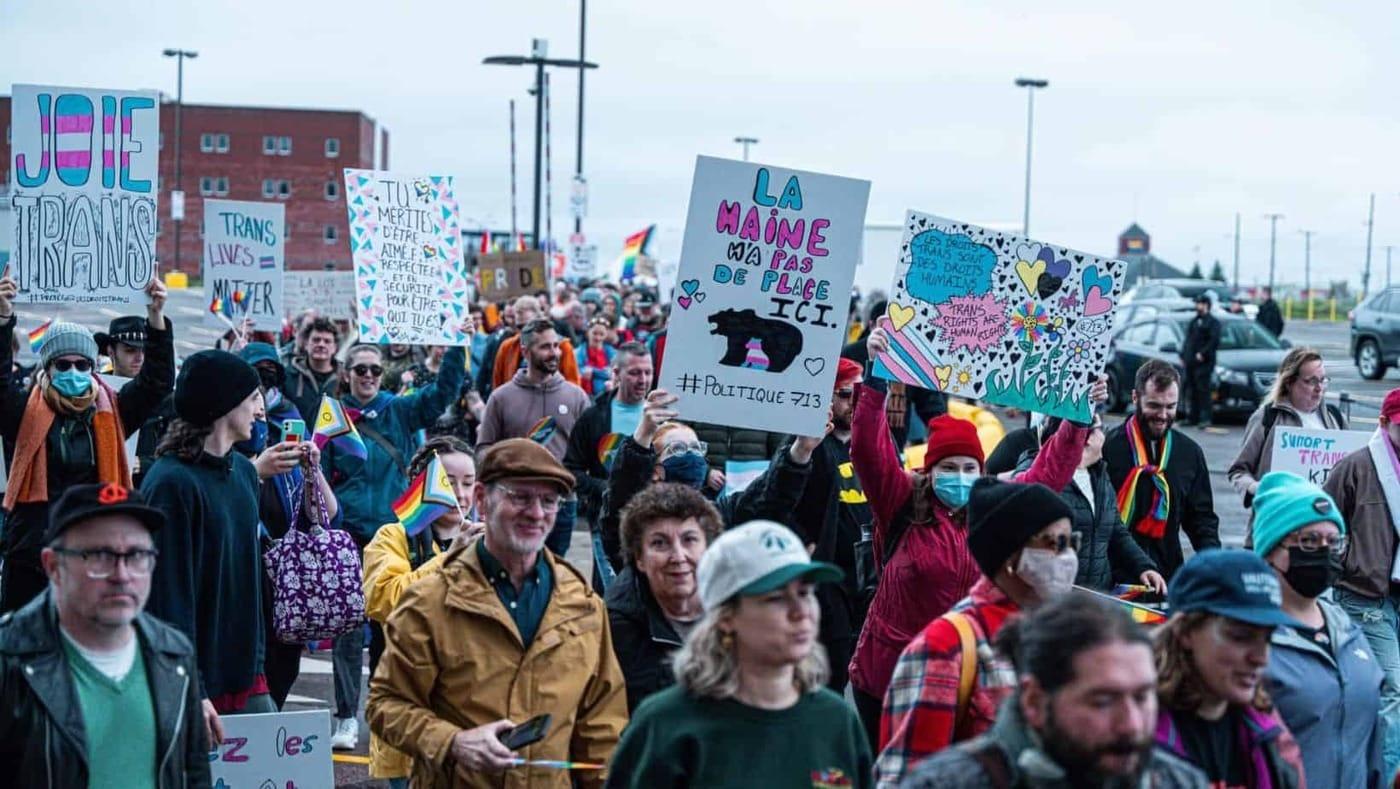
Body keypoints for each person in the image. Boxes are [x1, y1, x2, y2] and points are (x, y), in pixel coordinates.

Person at [850, 325, 1097, 748]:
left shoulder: (992, 508)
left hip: (964, 679)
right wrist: (875, 378)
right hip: (887, 676)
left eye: (970, 468)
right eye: (948, 468)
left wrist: (1078, 415)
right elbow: (868, 451)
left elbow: (1047, 474)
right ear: (929, 471)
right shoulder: (901, 499)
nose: (960, 477)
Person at [367, 438, 626, 788]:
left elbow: (602, 728)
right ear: (482, 501)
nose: (536, 513)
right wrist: (453, 743)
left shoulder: (583, 605)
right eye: (519, 497)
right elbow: (386, 706)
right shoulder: (429, 600)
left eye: (548, 500)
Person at [605, 520, 871, 788]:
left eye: (804, 592)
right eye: (776, 597)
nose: (800, 611)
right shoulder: (665, 725)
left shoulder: (837, 720)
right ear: (726, 617)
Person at [0, 483, 211, 787]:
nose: (122, 575)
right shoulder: (10, 660)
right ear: (53, 566)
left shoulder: (174, 655)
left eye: (137, 555)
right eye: (100, 556)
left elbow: (195, 775)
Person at [875, 478, 1077, 785]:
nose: (1068, 557)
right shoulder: (946, 645)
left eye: (1072, 542)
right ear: (1011, 557)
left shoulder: (1068, 634)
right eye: (1055, 543)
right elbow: (910, 777)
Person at [324, 332, 469, 751]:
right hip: (350, 537)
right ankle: (347, 716)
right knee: (349, 633)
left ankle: (387, 710)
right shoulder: (333, 417)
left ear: (382, 374)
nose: (368, 376)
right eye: (360, 370)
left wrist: (457, 344)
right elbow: (324, 479)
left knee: (394, 629)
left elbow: (443, 393)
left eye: (374, 369)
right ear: (347, 375)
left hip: (397, 536)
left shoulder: (399, 411)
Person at [900, 595, 1207, 789]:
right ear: (1034, 701)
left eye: (1142, 697)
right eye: (1102, 702)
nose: (1132, 724)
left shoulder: (1179, 781)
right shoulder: (945, 783)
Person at [0, 273, 175, 612]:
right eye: (63, 365)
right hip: (32, 557)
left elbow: (157, 382)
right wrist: (3, 317)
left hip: (93, 554)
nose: (73, 371)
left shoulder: (114, 411)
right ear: (47, 369)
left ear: (94, 368)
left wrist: (156, 318)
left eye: (82, 365)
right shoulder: (23, 412)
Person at [141, 350, 270, 747]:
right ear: (223, 404)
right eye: (252, 398)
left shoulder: (246, 472)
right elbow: (166, 598)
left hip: (247, 674)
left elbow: (247, 577)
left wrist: (259, 661)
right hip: (193, 682)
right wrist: (191, 688)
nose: (260, 409)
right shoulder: (171, 483)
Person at [362, 435, 481, 788]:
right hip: (409, 709)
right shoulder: (392, 538)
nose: (459, 492)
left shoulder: (490, 540)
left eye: (469, 482)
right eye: (447, 480)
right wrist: (450, 557)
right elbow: (384, 599)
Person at [1253, 471, 1384, 789]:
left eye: (1332, 541)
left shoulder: (1349, 633)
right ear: (1272, 551)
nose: (1324, 552)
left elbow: (1371, 745)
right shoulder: (1249, 641)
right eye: (1308, 541)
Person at [596, 388, 817, 575]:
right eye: (678, 449)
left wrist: (800, 450)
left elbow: (767, 499)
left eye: (696, 448)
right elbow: (621, 497)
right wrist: (644, 433)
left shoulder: (716, 514)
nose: (691, 455)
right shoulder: (635, 518)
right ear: (655, 469)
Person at [1153, 549, 1306, 787]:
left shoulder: (1269, 737)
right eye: (1240, 636)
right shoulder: (1132, 737)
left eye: (1267, 638)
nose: (1261, 658)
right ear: (1185, 632)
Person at [1324, 386, 1400, 782]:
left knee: (1382, 694)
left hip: (1391, 594)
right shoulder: (1356, 466)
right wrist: (1345, 565)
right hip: (1364, 594)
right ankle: (1385, 779)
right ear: (1384, 424)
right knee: (1393, 691)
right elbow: (1323, 523)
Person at [788, 357, 874, 693]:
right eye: (843, 394)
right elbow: (783, 498)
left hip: (869, 578)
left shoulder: (872, 443)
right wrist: (805, 543)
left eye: (858, 395)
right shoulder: (806, 446)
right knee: (833, 672)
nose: (851, 403)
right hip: (828, 577)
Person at [605, 483, 722, 712]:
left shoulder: (739, 612)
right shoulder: (613, 628)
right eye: (660, 543)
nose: (678, 556)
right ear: (638, 558)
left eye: (689, 539)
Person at [1104, 360, 1220, 581]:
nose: (1163, 415)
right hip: (1113, 578)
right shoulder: (1107, 449)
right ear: (1135, 398)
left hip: (1166, 576)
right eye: (1154, 406)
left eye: (1171, 407)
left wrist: (1213, 564)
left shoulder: (1189, 453)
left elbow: (1201, 520)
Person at [1023, 414, 1166, 594]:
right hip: (1054, 597)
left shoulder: (1099, 474)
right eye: (1100, 429)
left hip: (1097, 596)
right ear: (1086, 438)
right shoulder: (1042, 477)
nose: (1104, 436)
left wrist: (1144, 567)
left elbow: (1116, 529)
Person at [1228, 346, 1345, 519]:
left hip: (1324, 524)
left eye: (1323, 380)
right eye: (1311, 381)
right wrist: (1256, 488)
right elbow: (1238, 471)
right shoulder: (1267, 417)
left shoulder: (1335, 418)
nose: (1319, 388)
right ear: (1290, 382)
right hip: (1276, 522)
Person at [564, 341, 653, 531]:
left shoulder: (659, 418)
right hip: (604, 522)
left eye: (648, 372)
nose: (643, 380)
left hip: (649, 520)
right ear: (616, 373)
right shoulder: (593, 416)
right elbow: (572, 469)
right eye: (635, 372)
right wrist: (606, 489)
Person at [477, 317, 592, 462]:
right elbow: (483, 450)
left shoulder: (577, 397)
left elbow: (589, 451)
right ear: (525, 352)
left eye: (556, 346)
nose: (554, 353)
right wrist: (508, 465)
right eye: (545, 347)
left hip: (564, 484)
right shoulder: (501, 397)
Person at [490, 295, 582, 391]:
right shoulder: (507, 347)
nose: (524, 331)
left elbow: (573, 388)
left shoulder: (562, 347)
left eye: (528, 326)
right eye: (520, 327)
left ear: (540, 320)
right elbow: (498, 387)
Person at [284, 316, 343, 423]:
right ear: (306, 344)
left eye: (327, 341)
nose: (321, 344)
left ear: (335, 347)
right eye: (316, 340)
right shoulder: (288, 376)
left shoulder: (346, 378)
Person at [1180, 293, 1221, 427]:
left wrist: (1203, 353)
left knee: (1203, 390)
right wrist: (1183, 355)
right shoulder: (1194, 322)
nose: (1197, 307)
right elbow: (1188, 341)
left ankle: (1206, 418)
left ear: (1206, 305)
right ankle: (1192, 417)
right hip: (1190, 361)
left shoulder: (1213, 323)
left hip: (1204, 362)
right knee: (1191, 390)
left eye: (1200, 304)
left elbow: (1213, 341)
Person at [576, 315, 618, 397]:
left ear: (606, 335)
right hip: (583, 394)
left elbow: (613, 373)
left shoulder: (612, 352)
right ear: (588, 332)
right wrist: (603, 372)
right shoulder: (579, 352)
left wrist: (593, 371)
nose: (598, 338)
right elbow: (578, 371)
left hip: (606, 395)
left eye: (601, 334)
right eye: (594, 333)